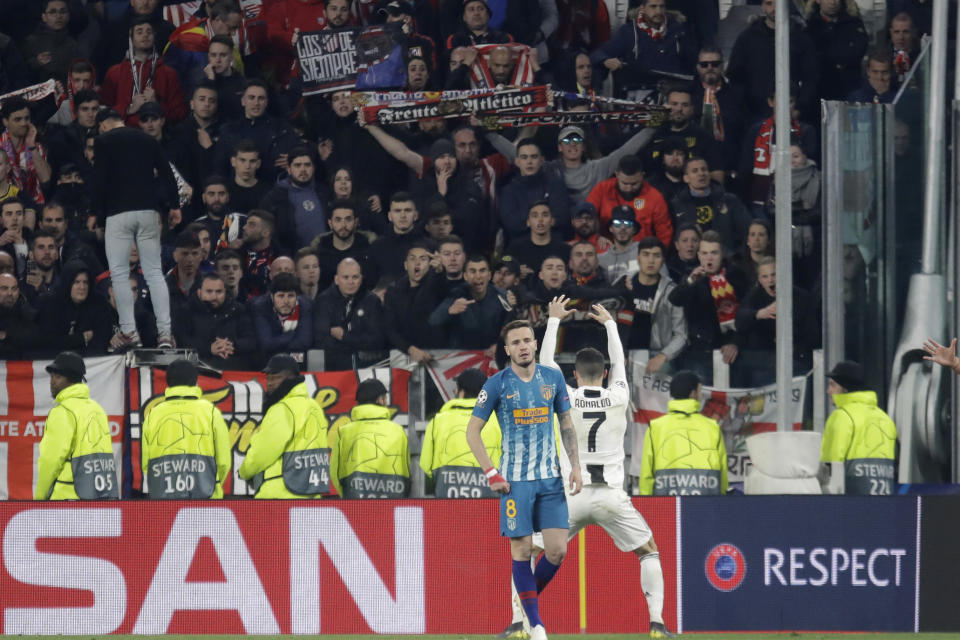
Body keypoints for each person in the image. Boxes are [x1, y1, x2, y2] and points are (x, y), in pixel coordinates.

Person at [541, 297, 674, 639]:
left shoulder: (564, 396)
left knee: (533, 553)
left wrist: (554, 320)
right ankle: (657, 623)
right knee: (648, 550)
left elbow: (544, 363)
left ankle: (519, 622)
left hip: (571, 494)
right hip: (611, 496)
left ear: (574, 374)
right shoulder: (617, 395)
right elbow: (620, 363)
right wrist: (611, 325)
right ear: (603, 374)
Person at [465, 319, 582, 640]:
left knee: (557, 550)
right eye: (516, 343)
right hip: (515, 482)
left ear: (535, 343)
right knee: (522, 551)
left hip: (551, 480)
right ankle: (538, 627)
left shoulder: (553, 378)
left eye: (528, 340)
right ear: (507, 350)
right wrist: (492, 472)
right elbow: (471, 431)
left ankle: (525, 606)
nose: (524, 346)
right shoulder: (496, 384)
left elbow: (567, 423)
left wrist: (575, 466)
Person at [93, 108, 179, 349]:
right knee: (153, 273)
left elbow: (100, 179)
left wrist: (95, 213)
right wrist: (174, 205)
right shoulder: (147, 138)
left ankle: (130, 333)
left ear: (103, 125)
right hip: (148, 213)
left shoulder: (103, 141)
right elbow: (166, 173)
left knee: (119, 274)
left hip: (117, 214)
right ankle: (164, 334)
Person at [238, 354, 331, 498]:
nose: (269, 383)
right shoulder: (315, 407)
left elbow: (263, 451)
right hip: (311, 493)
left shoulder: (282, 408)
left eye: (276, 378)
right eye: (268, 378)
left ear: (290, 378)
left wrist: (245, 472)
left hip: (279, 495)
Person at [141, 359, 232, 499]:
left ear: (168, 382)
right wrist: (212, 483)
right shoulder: (211, 412)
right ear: (195, 381)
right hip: (206, 498)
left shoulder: (153, 414)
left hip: (164, 498)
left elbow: (147, 463)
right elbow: (224, 461)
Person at [36, 351, 119, 500]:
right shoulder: (97, 409)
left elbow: (50, 461)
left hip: (67, 499)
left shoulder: (62, 412)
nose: (52, 381)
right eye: (52, 376)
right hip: (100, 497)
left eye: (58, 376)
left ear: (72, 380)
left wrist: (39, 498)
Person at [640, 370, 727, 496]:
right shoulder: (712, 427)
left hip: (666, 506)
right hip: (707, 505)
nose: (701, 395)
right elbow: (722, 472)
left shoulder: (656, 427)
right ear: (693, 393)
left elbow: (646, 474)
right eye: (700, 391)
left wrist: (647, 505)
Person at [420, 368, 502, 497]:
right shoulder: (498, 421)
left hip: (447, 502)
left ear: (461, 392)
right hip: (489, 505)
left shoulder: (437, 421)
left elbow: (425, 465)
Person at [820, 361, 897, 495]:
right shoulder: (885, 419)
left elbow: (831, 465)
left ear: (845, 388)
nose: (828, 391)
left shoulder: (841, 416)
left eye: (832, 385)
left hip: (851, 504)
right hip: (885, 502)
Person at [589, 0, 695, 97]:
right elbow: (597, 55)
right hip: (639, 94)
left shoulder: (678, 30)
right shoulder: (629, 32)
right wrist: (606, 61)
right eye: (653, 6)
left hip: (674, 95)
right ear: (642, 8)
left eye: (662, 6)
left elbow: (693, 61)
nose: (658, 11)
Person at [331, 378, 411, 498]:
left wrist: (346, 497)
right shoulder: (398, 430)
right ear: (380, 399)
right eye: (385, 398)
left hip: (355, 502)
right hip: (392, 501)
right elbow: (406, 470)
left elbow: (334, 472)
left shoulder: (344, 432)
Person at [624, 237, 687, 373]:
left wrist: (663, 356)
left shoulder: (672, 292)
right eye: (646, 254)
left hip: (658, 355)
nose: (651, 261)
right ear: (638, 258)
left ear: (663, 260)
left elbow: (681, 335)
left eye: (656, 256)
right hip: (625, 355)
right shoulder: (623, 285)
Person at [313, 257, 387, 370]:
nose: (351, 282)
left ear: (361, 279)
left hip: (367, 367)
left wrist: (344, 336)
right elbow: (321, 341)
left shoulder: (372, 301)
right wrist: (358, 342)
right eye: (345, 277)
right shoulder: (324, 301)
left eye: (355, 277)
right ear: (336, 279)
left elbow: (377, 340)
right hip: (334, 368)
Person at [586, 155, 672, 247]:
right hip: (607, 249)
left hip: (641, 253)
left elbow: (664, 234)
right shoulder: (602, 189)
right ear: (617, 175)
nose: (629, 189)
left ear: (642, 176)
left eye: (634, 184)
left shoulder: (655, 197)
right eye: (625, 183)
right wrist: (596, 237)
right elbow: (586, 218)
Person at [428, 254, 508, 352]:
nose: (478, 276)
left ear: (489, 275)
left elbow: (514, 328)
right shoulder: (457, 294)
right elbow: (433, 321)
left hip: (491, 357)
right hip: (463, 356)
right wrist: (449, 311)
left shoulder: (502, 296)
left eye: (482, 271)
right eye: (473, 271)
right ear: (465, 276)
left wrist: (501, 345)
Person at [250, 271, 313, 359]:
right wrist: (291, 334)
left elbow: (304, 342)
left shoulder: (305, 306)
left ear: (297, 297)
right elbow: (266, 344)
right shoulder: (260, 307)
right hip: (267, 362)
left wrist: (277, 342)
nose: (286, 301)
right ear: (272, 297)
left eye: (290, 296)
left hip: (297, 359)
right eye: (281, 296)